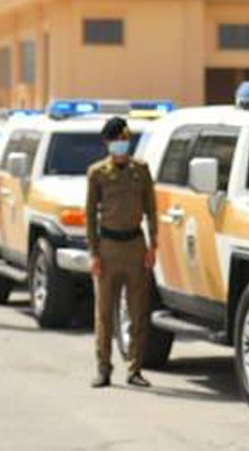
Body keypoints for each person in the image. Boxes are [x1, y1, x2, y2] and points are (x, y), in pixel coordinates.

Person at [86, 117, 156, 389]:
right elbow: (90, 215)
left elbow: (151, 209)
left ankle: (135, 368)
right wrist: (93, 253)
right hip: (108, 247)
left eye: (125, 140)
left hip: (135, 245)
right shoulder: (97, 173)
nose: (121, 145)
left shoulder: (141, 170)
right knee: (104, 312)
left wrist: (153, 246)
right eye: (116, 140)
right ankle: (103, 369)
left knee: (138, 310)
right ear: (108, 143)